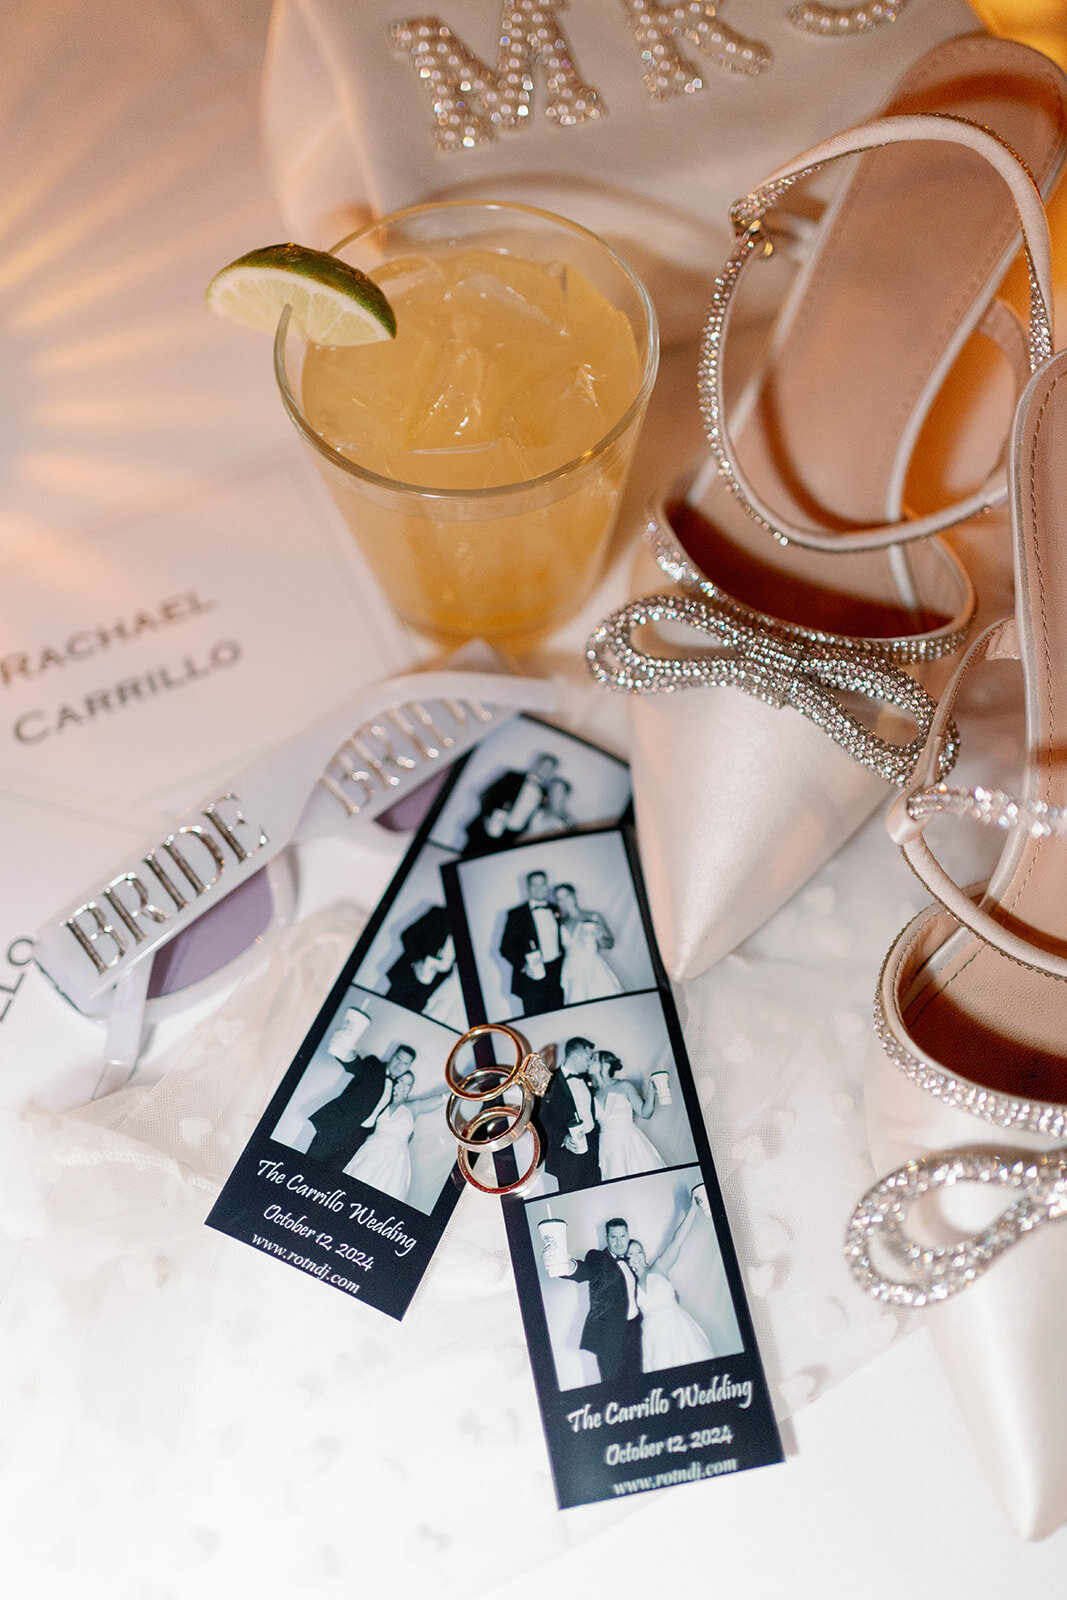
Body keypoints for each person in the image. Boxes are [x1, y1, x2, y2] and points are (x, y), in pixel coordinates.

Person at [626, 1197, 714, 1373]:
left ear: (644, 1254)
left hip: (676, 1326)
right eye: (630, 1254)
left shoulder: (659, 1267)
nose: (636, 1257)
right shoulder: (628, 1284)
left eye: (639, 1251)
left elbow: (677, 1240)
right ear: (626, 1259)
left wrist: (692, 1210)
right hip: (653, 1336)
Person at [552, 1216, 642, 1385]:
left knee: (636, 1380)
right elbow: (586, 1271)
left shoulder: (632, 1257)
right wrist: (564, 1265)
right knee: (613, 1385)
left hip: (634, 1329)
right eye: (613, 1237)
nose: (618, 1242)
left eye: (622, 1236)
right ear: (606, 1238)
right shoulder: (598, 1258)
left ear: (628, 1236)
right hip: (609, 1336)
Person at [305, 1042, 416, 1168]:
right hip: (338, 1126)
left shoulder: (397, 1089)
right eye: (398, 1059)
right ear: (392, 1056)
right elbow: (354, 1065)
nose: (399, 1065)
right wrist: (343, 1045)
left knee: (330, 1174)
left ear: (409, 1066)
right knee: (309, 1163)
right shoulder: (373, 1065)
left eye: (405, 1063)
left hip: (359, 1138)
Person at [342, 1070, 446, 1202]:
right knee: (354, 1184)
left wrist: (464, 1089)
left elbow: (441, 1099)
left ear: (410, 1089)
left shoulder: (414, 1106)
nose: (403, 1085)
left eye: (408, 1084)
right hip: (370, 1150)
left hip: (394, 1156)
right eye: (401, 1080)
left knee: (380, 1193)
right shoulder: (383, 1102)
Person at [590, 1050, 664, 1181]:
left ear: (606, 1064)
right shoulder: (591, 1095)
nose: (589, 1061)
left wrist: (651, 1092)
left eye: (594, 1059)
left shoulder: (624, 1085)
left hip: (629, 1142)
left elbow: (645, 1113)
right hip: (606, 1147)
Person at [464, 753, 559, 853]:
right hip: (488, 828)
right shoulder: (512, 777)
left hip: (510, 837)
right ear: (537, 764)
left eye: (550, 769)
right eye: (544, 766)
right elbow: (486, 794)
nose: (545, 771)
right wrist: (488, 816)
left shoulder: (544, 794)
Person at [499, 868, 564, 1014]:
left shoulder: (556, 909)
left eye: (543, 884)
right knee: (535, 1016)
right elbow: (505, 947)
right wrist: (523, 965)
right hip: (532, 976)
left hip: (556, 973)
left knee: (559, 1013)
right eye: (535, 885)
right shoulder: (516, 914)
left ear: (547, 886)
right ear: (528, 888)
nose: (539, 888)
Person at [539, 1035, 600, 1190]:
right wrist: (563, 1139)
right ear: (576, 1055)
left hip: (592, 1151)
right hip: (567, 1156)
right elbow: (540, 1121)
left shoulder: (587, 1078)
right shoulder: (548, 1082)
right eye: (588, 1056)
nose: (590, 1061)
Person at [554, 883, 622, 1005]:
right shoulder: (559, 922)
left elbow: (610, 944)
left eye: (566, 896)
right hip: (571, 969)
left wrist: (599, 937)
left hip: (592, 966)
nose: (564, 901)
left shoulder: (593, 916)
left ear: (574, 895)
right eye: (559, 898)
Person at [384, 904, 454, 1013]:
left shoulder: (467, 935)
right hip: (408, 976)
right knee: (385, 1012)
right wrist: (417, 961)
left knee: (405, 1021)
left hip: (427, 989)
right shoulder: (439, 914)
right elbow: (407, 935)